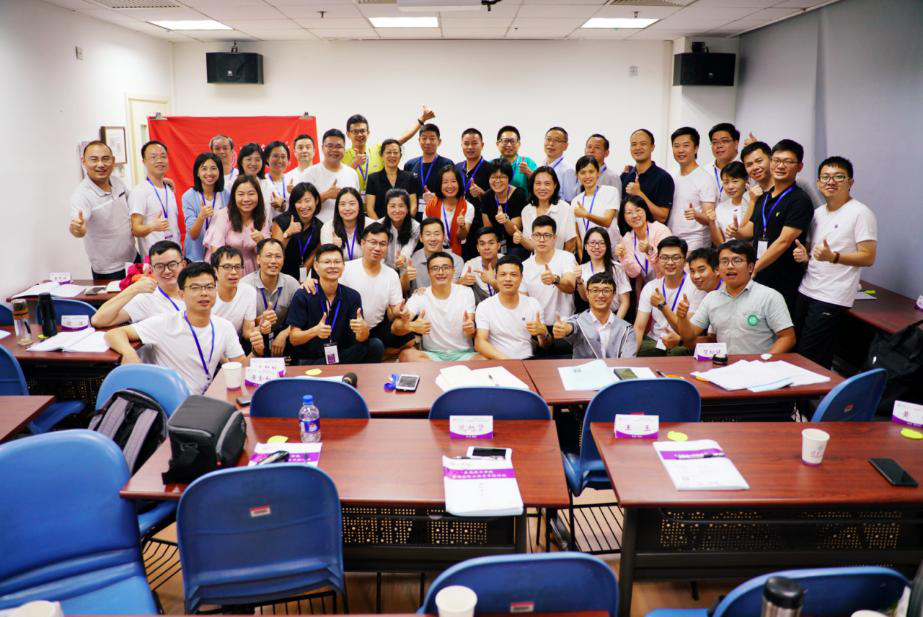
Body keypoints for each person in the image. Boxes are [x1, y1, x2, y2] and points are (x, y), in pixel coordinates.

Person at [104, 261, 248, 395]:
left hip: (204, 398)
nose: (204, 293)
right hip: (170, 400)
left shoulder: (224, 326)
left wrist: (256, 351)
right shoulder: (165, 323)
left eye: (209, 287)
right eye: (195, 288)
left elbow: (242, 366)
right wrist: (128, 353)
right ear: (182, 294)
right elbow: (114, 333)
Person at [792, 156, 877, 368]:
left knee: (812, 357)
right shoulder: (818, 213)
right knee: (797, 350)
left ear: (850, 182)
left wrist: (834, 257)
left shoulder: (860, 213)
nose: (831, 181)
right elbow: (817, 252)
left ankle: (817, 390)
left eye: (839, 177)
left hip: (832, 295)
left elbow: (868, 256)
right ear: (818, 183)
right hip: (806, 289)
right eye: (825, 177)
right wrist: (805, 256)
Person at [730, 139, 814, 315]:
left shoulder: (800, 200)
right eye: (777, 160)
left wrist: (754, 268)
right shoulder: (764, 196)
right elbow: (750, 231)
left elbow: (784, 241)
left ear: (799, 167)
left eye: (787, 161)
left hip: (783, 277)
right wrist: (737, 232)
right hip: (761, 274)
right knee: (756, 322)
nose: (780, 166)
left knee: (780, 324)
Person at [677, 239, 795, 354]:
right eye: (724, 261)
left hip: (759, 365)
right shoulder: (711, 298)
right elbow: (689, 336)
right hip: (723, 364)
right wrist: (682, 318)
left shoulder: (770, 296)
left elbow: (787, 338)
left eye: (737, 260)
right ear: (718, 268)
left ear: (750, 267)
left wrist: (765, 360)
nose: (729, 266)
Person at [285, 243, 382, 365]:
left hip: (340, 356)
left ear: (343, 266)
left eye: (337, 262)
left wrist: (363, 330)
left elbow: (360, 338)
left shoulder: (353, 296)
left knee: (375, 345)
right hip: (311, 359)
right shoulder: (303, 295)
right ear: (316, 266)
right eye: (327, 262)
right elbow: (293, 339)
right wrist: (315, 331)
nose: (332, 266)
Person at [339, 222, 410, 359]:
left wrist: (400, 311)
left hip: (376, 328)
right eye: (373, 242)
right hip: (348, 328)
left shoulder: (391, 274)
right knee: (373, 347)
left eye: (382, 244)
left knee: (409, 338)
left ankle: (375, 353)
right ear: (363, 243)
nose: (377, 248)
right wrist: (309, 282)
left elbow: (395, 307)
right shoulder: (346, 268)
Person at [392, 251, 480, 362]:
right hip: (432, 356)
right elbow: (394, 327)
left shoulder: (466, 292)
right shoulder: (420, 295)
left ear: (453, 271)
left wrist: (471, 329)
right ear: (428, 273)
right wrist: (411, 326)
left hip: (464, 355)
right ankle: (443, 370)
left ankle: (436, 371)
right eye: (435, 268)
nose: (441, 272)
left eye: (446, 267)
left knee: (486, 359)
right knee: (406, 355)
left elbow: (470, 327)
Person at [68, 141, 136, 280]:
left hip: (133, 258)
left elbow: (134, 201)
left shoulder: (117, 182)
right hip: (109, 270)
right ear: (83, 161)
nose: (100, 164)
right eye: (94, 159)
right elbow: (78, 227)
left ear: (113, 160)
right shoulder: (81, 195)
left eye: (105, 159)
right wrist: (77, 229)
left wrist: (158, 183)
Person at [633, 236, 705, 356]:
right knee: (634, 348)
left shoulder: (696, 286)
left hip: (681, 342)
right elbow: (639, 327)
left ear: (685, 260)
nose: (670, 262)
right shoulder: (651, 287)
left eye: (676, 258)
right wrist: (632, 355)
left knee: (678, 351)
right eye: (664, 258)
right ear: (658, 259)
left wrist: (662, 306)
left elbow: (687, 332)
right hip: (655, 341)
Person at [91, 240, 186, 328]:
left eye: (172, 264)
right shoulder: (147, 298)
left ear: (183, 265)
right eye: (159, 266)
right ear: (151, 269)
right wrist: (134, 289)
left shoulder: (193, 290)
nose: (167, 271)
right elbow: (97, 320)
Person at [522, 215, 578, 356]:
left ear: (554, 238)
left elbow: (571, 287)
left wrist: (555, 280)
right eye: (537, 235)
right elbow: (523, 301)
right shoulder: (524, 266)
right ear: (532, 237)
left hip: (563, 325)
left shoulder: (566, 257)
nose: (541, 239)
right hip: (536, 327)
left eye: (546, 235)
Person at [343, 108, 433, 194]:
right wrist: (354, 165)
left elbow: (403, 138)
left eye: (362, 131)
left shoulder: (378, 150)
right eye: (355, 131)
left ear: (368, 133)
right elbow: (340, 181)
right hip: (352, 204)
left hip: (378, 203)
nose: (359, 134)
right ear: (348, 134)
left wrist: (422, 119)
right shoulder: (342, 156)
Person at [474, 256, 547, 359]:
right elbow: (480, 342)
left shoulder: (533, 304)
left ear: (521, 278)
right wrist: (508, 361)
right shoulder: (485, 306)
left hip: (527, 360)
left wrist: (544, 334)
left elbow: (545, 345)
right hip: (498, 360)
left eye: (513, 275)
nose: (508, 279)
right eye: (503, 274)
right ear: (496, 277)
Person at [553, 273, 636, 359]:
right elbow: (571, 327)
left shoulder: (627, 329)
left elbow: (628, 361)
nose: (600, 295)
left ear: (614, 294)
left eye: (606, 290)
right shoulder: (578, 321)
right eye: (595, 290)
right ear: (587, 294)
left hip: (614, 368)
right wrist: (565, 329)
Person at [241, 238, 301, 358]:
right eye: (268, 256)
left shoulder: (292, 283)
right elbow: (243, 330)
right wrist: (260, 323)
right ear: (258, 259)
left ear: (283, 260)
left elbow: (301, 318)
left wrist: (284, 334)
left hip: (281, 334)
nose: (273, 261)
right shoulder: (244, 285)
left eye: (278, 256)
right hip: (254, 335)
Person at [203, 175, 271, 275]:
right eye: (241, 194)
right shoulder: (223, 216)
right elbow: (216, 252)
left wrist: (261, 241)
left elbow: (268, 252)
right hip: (226, 268)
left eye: (251, 194)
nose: (246, 199)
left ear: (258, 196)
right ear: (234, 196)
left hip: (252, 269)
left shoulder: (262, 218)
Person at [666, 127, 717, 253]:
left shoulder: (706, 178)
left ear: (696, 148)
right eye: (676, 146)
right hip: (672, 239)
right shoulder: (671, 176)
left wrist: (696, 215)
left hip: (695, 242)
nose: (680, 150)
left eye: (686, 145)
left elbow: (709, 218)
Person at [130, 140, 180, 257]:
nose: (159, 160)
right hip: (154, 259)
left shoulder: (169, 188)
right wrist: (152, 226)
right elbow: (135, 229)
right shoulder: (140, 191)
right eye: (153, 157)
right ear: (144, 162)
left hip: (175, 255)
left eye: (163, 156)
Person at [300, 129, 360, 224]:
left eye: (338, 146)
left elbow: (356, 203)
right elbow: (302, 204)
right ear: (322, 148)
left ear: (344, 149)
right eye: (330, 146)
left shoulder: (352, 173)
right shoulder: (309, 173)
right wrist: (326, 195)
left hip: (347, 228)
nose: (334, 150)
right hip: (317, 228)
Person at [516, 166, 577, 254]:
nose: (542, 188)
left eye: (547, 183)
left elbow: (571, 242)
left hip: (561, 259)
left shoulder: (565, 208)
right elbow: (531, 245)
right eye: (538, 183)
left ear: (555, 185)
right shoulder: (526, 210)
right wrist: (522, 239)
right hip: (537, 259)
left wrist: (560, 260)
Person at [619, 129, 675, 224]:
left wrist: (639, 194)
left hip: (653, 232)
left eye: (643, 144)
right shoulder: (625, 177)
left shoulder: (664, 178)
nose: (638, 147)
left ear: (652, 147)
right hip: (628, 233)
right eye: (634, 144)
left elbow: (662, 217)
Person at [271, 181, 323, 281]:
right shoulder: (282, 221)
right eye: (299, 202)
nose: (303, 206)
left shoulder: (320, 227)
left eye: (307, 201)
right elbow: (274, 253)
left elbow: (312, 256)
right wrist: (287, 234)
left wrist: (301, 280)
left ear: (316, 201)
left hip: (301, 279)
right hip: (278, 274)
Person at [616, 195, 673, 286]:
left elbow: (668, 263)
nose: (634, 215)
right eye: (629, 213)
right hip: (649, 287)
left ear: (645, 210)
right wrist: (623, 256)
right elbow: (634, 273)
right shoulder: (627, 239)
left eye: (638, 210)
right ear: (624, 217)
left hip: (669, 281)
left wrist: (649, 251)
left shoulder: (661, 230)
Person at [577, 227, 631, 320]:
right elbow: (585, 298)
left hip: (615, 316)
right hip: (592, 318)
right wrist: (579, 281)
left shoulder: (617, 268)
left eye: (601, 243)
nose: (597, 247)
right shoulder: (581, 269)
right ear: (585, 246)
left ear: (607, 246)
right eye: (592, 243)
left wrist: (615, 323)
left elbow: (625, 302)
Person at [478, 158, 527, 260]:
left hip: (516, 245)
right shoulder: (487, 197)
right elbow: (488, 230)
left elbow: (514, 231)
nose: (497, 181)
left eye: (502, 177)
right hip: (496, 245)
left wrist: (506, 221)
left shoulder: (519, 194)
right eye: (493, 177)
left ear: (509, 178)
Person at [181, 152, 226, 262]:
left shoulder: (226, 195)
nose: (209, 173)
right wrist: (201, 217)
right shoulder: (188, 197)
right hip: (195, 257)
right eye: (204, 169)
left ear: (219, 171)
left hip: (220, 256)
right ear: (197, 172)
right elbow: (193, 235)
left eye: (213, 168)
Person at [572, 155, 621, 256]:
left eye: (591, 171)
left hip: (610, 252)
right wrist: (582, 259)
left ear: (598, 172)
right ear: (577, 175)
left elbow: (607, 222)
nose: (587, 176)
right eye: (582, 172)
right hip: (588, 254)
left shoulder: (610, 192)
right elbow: (578, 237)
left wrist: (586, 215)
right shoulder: (576, 201)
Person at [423, 165, 474, 257]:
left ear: (459, 183)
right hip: (434, 250)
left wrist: (462, 226)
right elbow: (425, 232)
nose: (450, 186)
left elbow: (462, 236)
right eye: (445, 182)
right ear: (440, 185)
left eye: (453, 181)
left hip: (459, 252)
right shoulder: (431, 205)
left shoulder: (468, 207)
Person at [210, 246, 257, 342]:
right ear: (215, 270)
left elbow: (246, 332)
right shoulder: (206, 294)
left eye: (237, 267)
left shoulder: (249, 292)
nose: (234, 272)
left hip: (235, 344)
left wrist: (259, 331)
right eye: (227, 267)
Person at [365, 139, 421, 219]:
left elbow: (413, 206)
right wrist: (380, 225)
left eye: (395, 152)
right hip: (380, 224)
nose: (392, 155)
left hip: (405, 224)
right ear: (381, 155)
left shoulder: (410, 177)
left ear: (400, 155)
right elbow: (370, 209)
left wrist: (404, 223)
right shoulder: (373, 179)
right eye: (388, 152)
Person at [405, 218, 464, 292]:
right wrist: (406, 277)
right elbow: (404, 290)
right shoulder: (412, 259)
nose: (432, 239)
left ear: (443, 237)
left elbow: (452, 289)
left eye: (437, 234)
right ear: (421, 238)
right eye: (428, 234)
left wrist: (428, 292)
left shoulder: (456, 261)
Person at [404, 123, 454, 202]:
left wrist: (435, 197)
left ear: (439, 141)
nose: (428, 142)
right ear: (419, 140)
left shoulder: (447, 164)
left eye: (432, 138)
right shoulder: (410, 165)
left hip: (439, 208)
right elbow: (406, 192)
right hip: (414, 209)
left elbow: (453, 191)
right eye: (424, 138)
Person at [707, 161, 752, 246]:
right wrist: (711, 222)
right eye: (726, 182)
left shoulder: (754, 203)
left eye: (735, 181)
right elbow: (719, 243)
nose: (730, 187)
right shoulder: (720, 208)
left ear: (746, 180)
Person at [320, 187, 367, 262]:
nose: (347, 208)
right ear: (337, 208)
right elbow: (326, 261)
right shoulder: (328, 228)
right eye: (342, 204)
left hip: (365, 268)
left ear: (359, 206)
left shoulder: (371, 225)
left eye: (352, 204)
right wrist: (334, 248)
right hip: (337, 268)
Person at [378, 188, 420, 270]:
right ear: (386, 208)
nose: (397, 210)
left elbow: (409, 247)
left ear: (407, 209)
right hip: (382, 268)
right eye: (392, 206)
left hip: (405, 268)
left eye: (401, 206)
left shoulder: (415, 226)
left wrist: (402, 257)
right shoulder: (378, 225)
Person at [461, 226, 502, 305]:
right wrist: (462, 281)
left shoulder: (508, 263)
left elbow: (512, 295)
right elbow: (457, 289)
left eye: (491, 243)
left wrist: (492, 282)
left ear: (498, 246)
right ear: (477, 248)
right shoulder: (471, 265)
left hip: (504, 306)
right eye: (482, 244)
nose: (487, 247)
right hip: (480, 307)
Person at [496, 125, 537, 195]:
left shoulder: (528, 162)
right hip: (497, 202)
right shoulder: (491, 164)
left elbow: (540, 184)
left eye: (512, 141)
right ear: (497, 144)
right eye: (505, 141)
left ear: (519, 144)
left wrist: (529, 173)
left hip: (523, 202)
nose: (509, 145)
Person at [541, 126, 579, 202]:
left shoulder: (568, 170)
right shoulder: (543, 165)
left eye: (557, 140)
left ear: (565, 146)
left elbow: (570, 200)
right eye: (548, 139)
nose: (551, 143)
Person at [456, 128, 492, 205]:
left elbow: (498, 199)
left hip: (481, 212)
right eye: (466, 144)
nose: (470, 147)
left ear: (482, 145)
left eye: (474, 143)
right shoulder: (457, 168)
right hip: (459, 211)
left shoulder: (491, 169)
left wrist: (482, 194)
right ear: (461, 145)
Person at [708, 122, 741, 198]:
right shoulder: (705, 171)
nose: (719, 146)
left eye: (725, 141)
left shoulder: (746, 167)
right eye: (714, 142)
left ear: (736, 143)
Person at [260, 141, 291, 220]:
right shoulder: (261, 182)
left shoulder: (292, 180)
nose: (280, 160)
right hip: (267, 226)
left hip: (291, 225)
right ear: (267, 158)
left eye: (283, 157)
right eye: (275, 156)